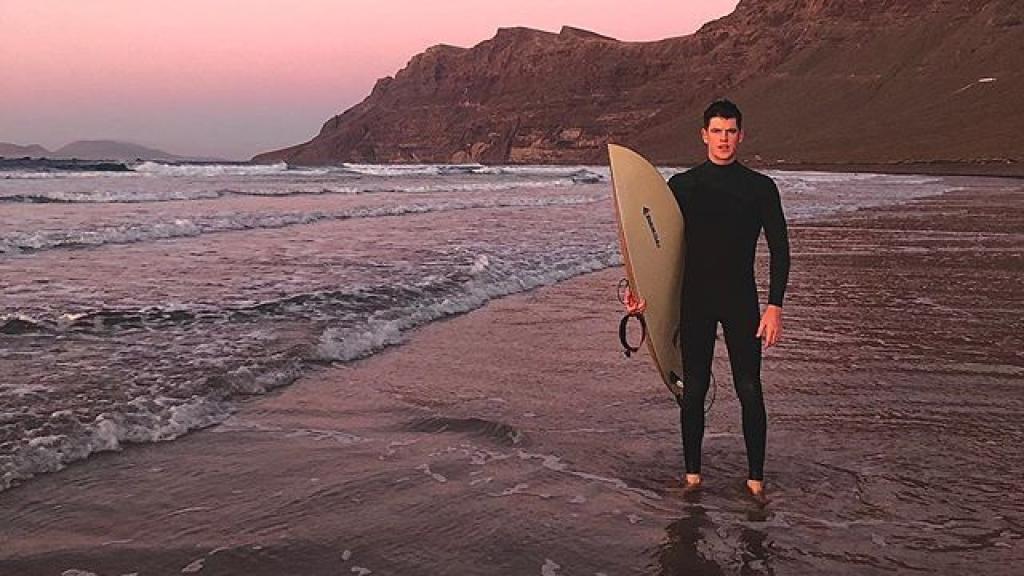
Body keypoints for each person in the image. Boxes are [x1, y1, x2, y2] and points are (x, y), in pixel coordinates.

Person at [667, 99, 790, 502]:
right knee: (695, 389)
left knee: (749, 388)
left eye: (730, 131)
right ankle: (692, 477)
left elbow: (780, 249)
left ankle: (756, 481)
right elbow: (659, 249)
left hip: (741, 300)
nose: (723, 139)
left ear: (741, 135)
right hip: (694, 299)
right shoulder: (682, 186)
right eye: (716, 131)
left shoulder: (759, 188)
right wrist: (642, 296)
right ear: (704, 135)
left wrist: (775, 306)